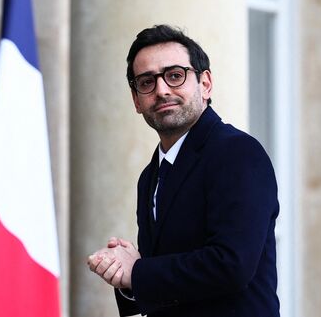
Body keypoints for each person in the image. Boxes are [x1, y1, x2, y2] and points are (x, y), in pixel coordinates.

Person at [87, 25, 280, 317]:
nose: (162, 90)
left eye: (175, 75)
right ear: (136, 100)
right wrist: (125, 276)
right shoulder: (150, 176)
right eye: (147, 82)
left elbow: (232, 265)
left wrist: (137, 272)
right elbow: (168, 290)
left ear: (206, 84)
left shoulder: (238, 153)